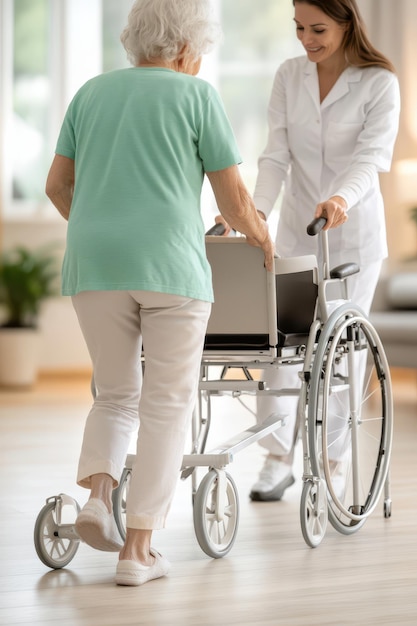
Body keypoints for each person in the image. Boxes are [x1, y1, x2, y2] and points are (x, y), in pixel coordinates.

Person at [45, 0, 274, 587]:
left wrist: (101, 232)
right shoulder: (196, 96)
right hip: (171, 267)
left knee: (116, 393)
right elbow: (233, 202)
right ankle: (139, 551)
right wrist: (263, 239)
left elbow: (57, 185)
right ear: (185, 48)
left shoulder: (91, 93)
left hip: (95, 264)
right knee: (167, 405)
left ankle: (98, 498)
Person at [215, 0, 400, 502]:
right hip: (297, 232)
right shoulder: (289, 76)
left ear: (346, 23)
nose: (306, 39)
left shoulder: (379, 81)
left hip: (353, 231)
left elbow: (371, 157)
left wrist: (341, 198)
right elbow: (275, 156)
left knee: (341, 351)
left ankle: (334, 462)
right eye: (298, 28)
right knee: (281, 342)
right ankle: (277, 458)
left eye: (318, 29)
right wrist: (251, 216)